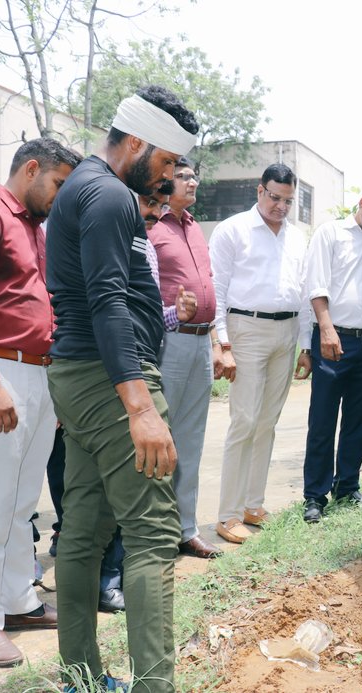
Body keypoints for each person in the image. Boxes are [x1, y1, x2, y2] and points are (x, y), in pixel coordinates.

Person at [46, 85, 199, 692]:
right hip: (114, 384)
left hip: (84, 377)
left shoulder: (88, 186)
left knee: (84, 530)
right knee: (154, 535)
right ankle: (155, 686)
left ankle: (79, 676)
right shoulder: (109, 197)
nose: (166, 179)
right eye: (164, 163)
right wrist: (139, 405)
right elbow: (107, 300)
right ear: (135, 142)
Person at [0, 137, 81, 667]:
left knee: (22, 502)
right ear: (31, 169)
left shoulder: (32, 225)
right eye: (59, 184)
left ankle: (18, 600)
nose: (62, 196)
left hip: (35, 374)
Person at [209, 163, 311, 544]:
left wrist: (305, 344)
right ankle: (228, 514)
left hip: (286, 332)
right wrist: (223, 344)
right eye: (274, 197)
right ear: (259, 191)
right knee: (244, 421)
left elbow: (303, 293)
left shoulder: (298, 237)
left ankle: (254, 504)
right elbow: (216, 289)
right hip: (245, 329)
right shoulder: (233, 230)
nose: (280, 206)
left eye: (287, 200)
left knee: (268, 421)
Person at [299, 182, 362, 523]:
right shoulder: (331, 234)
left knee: (361, 419)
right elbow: (316, 285)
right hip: (332, 337)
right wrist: (325, 329)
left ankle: (347, 485)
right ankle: (315, 494)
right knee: (323, 419)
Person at [147, 157, 224, 558]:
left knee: (191, 440)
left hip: (199, 342)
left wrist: (214, 340)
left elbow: (208, 287)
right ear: (164, 183)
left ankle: (186, 528)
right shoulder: (153, 228)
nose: (192, 181)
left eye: (194, 175)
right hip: (170, 339)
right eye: (182, 176)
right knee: (163, 436)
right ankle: (157, 531)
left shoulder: (194, 227)